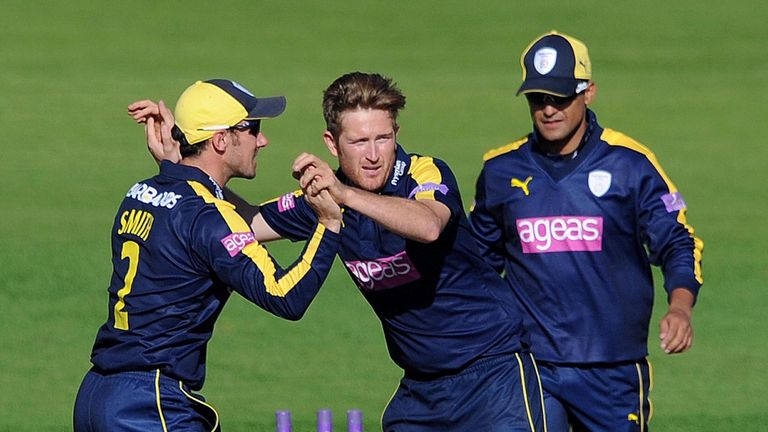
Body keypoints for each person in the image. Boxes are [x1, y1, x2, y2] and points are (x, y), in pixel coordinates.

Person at [133, 72, 545, 431]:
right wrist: (184, 167)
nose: (373, 154)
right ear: (332, 143)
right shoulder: (321, 201)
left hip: (494, 375)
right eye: (360, 140)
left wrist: (344, 195)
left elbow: (428, 225)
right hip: (420, 389)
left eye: (383, 138)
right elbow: (249, 223)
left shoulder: (423, 172)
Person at [74, 79, 342, 432]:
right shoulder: (208, 217)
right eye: (252, 129)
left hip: (97, 395)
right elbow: (285, 296)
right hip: (148, 404)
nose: (262, 140)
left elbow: (222, 216)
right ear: (220, 139)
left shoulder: (141, 192)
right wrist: (329, 223)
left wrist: (176, 164)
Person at [468, 31, 704, 431]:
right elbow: (476, 264)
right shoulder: (500, 171)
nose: (548, 110)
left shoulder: (632, 164)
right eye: (538, 99)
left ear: (589, 92)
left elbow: (679, 240)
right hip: (531, 365)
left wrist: (680, 307)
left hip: (612, 369)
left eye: (560, 98)